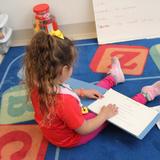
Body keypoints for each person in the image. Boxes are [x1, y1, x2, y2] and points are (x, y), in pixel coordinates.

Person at [24, 31, 160, 148]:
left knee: (93, 91)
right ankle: (147, 94)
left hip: (53, 132)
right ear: (64, 70)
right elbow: (84, 129)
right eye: (71, 66)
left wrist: (81, 92)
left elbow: (61, 95)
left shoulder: (38, 83)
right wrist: (104, 115)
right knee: (115, 108)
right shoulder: (65, 102)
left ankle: (114, 78)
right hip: (71, 138)